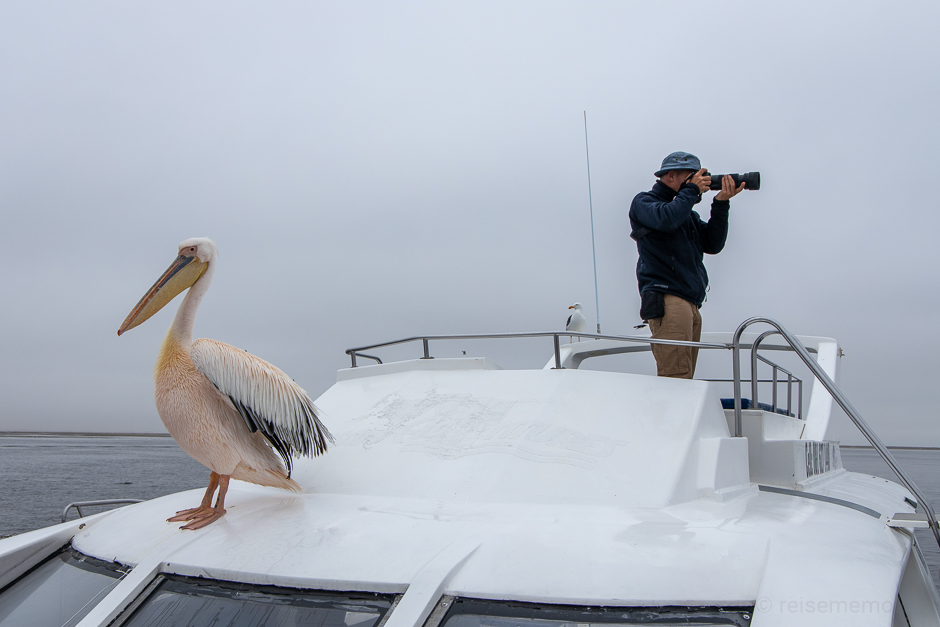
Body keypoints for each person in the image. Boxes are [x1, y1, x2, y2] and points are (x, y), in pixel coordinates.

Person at [629, 151, 744, 379]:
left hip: (690, 304)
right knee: (676, 378)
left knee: (685, 377)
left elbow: (713, 244)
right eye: (692, 177)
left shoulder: (686, 215)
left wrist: (721, 203)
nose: (700, 183)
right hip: (669, 300)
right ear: (671, 176)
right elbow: (667, 219)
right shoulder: (645, 202)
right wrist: (690, 191)